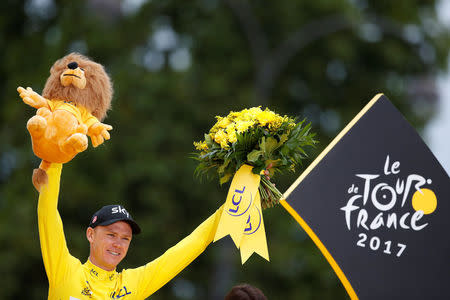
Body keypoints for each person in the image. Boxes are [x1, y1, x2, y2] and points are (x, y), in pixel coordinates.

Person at [38, 163, 223, 299]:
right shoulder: (65, 271)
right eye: (111, 234)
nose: (118, 244)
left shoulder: (132, 284)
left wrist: (236, 202)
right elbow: (47, 212)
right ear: (91, 234)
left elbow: (193, 244)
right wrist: (55, 160)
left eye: (125, 238)